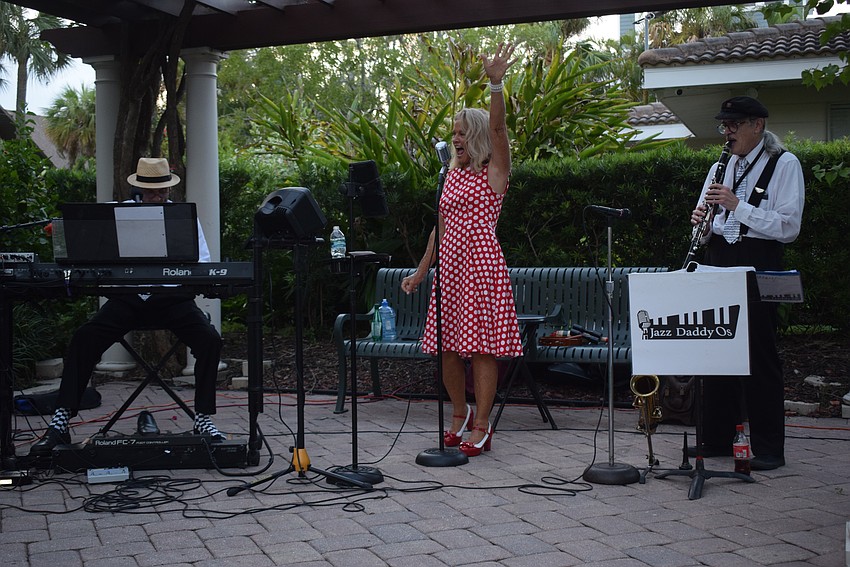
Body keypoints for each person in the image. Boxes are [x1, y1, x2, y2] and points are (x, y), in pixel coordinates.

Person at [30, 157, 226, 456]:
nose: (157, 197)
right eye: (151, 192)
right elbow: (98, 256)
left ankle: (203, 419)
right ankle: (60, 422)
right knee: (85, 338)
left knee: (209, 339)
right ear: (139, 190)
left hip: (171, 299)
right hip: (128, 299)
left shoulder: (182, 216)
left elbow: (202, 261)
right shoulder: (119, 212)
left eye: (162, 192)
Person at [401, 43, 522, 457]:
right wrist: (420, 272)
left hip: (482, 266)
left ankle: (484, 425)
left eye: (461, 133)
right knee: (447, 348)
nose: (455, 139)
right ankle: (459, 414)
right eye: (453, 134)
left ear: (477, 136)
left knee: (483, 348)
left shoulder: (495, 171)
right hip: (450, 269)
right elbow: (440, 229)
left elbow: (500, 131)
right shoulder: (451, 176)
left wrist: (496, 84)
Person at [689, 96, 805, 470]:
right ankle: (718, 439)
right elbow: (713, 228)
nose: (728, 132)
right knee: (716, 351)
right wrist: (702, 224)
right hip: (719, 258)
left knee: (760, 356)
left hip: (759, 262)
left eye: (734, 125)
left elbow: (788, 227)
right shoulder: (718, 166)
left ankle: (770, 449)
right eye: (725, 125)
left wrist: (739, 206)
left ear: (758, 125)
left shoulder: (784, 164)